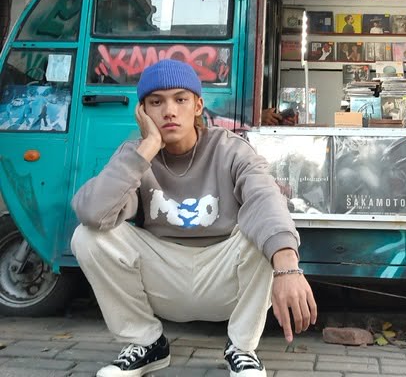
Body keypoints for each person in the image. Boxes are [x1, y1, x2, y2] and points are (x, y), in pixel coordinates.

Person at [71, 59, 317, 377]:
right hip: (163, 272)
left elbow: (265, 199)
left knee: (261, 231)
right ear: (142, 112)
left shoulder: (231, 149)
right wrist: (147, 148)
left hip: (222, 272)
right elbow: (94, 213)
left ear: (198, 106)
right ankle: (146, 344)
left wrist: (287, 268)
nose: (169, 111)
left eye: (180, 99)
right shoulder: (135, 155)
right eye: (156, 102)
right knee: (88, 236)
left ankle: (242, 348)